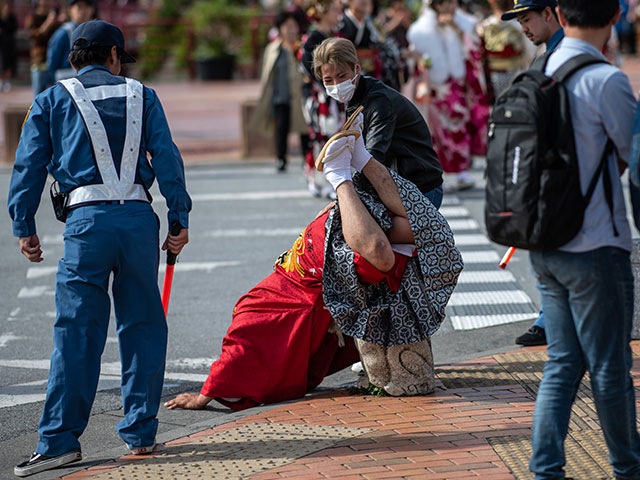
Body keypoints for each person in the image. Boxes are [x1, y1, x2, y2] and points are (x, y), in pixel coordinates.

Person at [165, 129, 462, 411]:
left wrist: (207, 393)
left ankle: (344, 172)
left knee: (397, 247)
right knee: (422, 235)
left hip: (337, 246)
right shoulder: (260, 308)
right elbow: (422, 234)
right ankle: (349, 167)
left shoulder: (255, 311)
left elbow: (239, 348)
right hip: (337, 245)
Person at [9, 20, 191, 477]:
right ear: (113, 56)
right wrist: (179, 215)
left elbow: (29, 164)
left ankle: (58, 442)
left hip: (86, 225)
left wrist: (23, 223)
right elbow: (166, 156)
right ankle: (141, 431)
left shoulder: (50, 100)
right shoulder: (143, 95)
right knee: (143, 324)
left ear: (73, 60)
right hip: (136, 220)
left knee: (77, 332)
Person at [527, 1, 640, 478]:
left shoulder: (537, 71)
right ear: (614, 18)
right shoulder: (607, 79)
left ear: (558, 12)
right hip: (595, 244)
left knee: (561, 365)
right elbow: (629, 155)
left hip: (543, 242)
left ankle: (546, 469)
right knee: (611, 367)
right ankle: (628, 468)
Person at [312, 37, 445, 208]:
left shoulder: (378, 102)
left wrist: (347, 194)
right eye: (329, 80)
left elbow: (373, 158)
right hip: (391, 185)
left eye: (342, 76)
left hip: (420, 189)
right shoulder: (355, 96)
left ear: (356, 68)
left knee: (366, 229)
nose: (337, 85)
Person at [502, 0, 563, 347]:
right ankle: (549, 317)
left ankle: (550, 320)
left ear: (549, 13)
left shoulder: (560, 57)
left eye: (527, 18)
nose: (523, 28)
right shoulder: (550, 55)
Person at [407, 0, 490, 192]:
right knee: (436, 133)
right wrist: (420, 62)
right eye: (446, 2)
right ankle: (438, 174)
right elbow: (414, 53)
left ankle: (461, 172)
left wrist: (456, 29)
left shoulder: (464, 22)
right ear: (436, 5)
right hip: (436, 87)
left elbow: (475, 50)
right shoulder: (421, 28)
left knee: (459, 126)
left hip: (456, 85)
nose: (452, 6)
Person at [251, 11, 308, 172]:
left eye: (293, 26)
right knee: (281, 128)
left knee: (304, 128)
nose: (291, 30)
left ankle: (307, 158)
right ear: (280, 28)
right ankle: (281, 158)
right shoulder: (273, 48)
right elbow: (267, 73)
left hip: (299, 95)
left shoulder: (302, 46)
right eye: (287, 26)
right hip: (280, 96)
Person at [299, 0, 345, 197]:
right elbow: (307, 65)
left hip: (331, 93)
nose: (338, 14)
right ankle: (320, 180)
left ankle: (325, 179)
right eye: (335, 10)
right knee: (322, 134)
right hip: (318, 95)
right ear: (323, 13)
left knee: (332, 134)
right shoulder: (312, 38)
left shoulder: (332, 36)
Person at [476, 0, 535, 96]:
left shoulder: (483, 27)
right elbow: (529, 53)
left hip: (498, 75)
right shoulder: (518, 26)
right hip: (512, 73)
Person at [47, 0, 96, 83]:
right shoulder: (63, 33)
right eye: (79, 7)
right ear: (70, 10)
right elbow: (52, 64)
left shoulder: (96, 32)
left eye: (87, 7)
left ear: (92, 10)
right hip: (67, 83)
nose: (83, 11)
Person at [26, 0, 63, 96]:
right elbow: (34, 37)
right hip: (39, 63)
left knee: (55, 95)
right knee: (39, 95)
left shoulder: (55, 18)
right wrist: (48, 22)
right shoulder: (32, 18)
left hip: (53, 63)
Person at [0, 0, 18, 92]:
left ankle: (7, 81)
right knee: (1, 63)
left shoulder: (12, 18)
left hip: (10, 44)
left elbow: (14, 27)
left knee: (9, 63)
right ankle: (1, 81)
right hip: (1, 45)